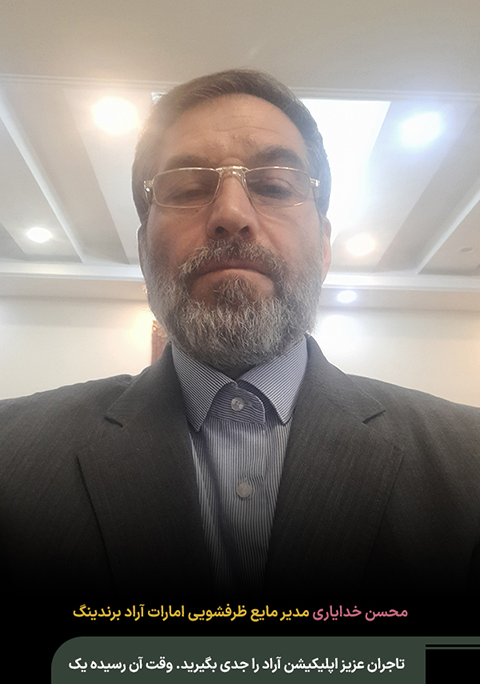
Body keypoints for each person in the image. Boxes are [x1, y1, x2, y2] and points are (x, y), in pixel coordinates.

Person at [1, 68, 480, 608]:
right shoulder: (10, 457)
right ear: (142, 250)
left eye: (274, 186)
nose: (231, 214)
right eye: (188, 188)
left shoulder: (469, 463)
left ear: (324, 247)